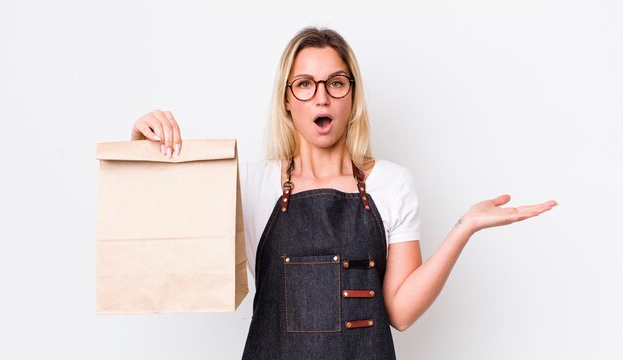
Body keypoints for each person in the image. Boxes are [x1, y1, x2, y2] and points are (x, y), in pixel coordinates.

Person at [130, 27, 556, 360]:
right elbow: (164, 240)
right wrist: (142, 149)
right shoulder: (254, 185)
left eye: (336, 83)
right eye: (305, 84)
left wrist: (464, 227)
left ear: (352, 97)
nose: (322, 96)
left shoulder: (391, 184)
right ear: (287, 101)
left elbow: (402, 313)